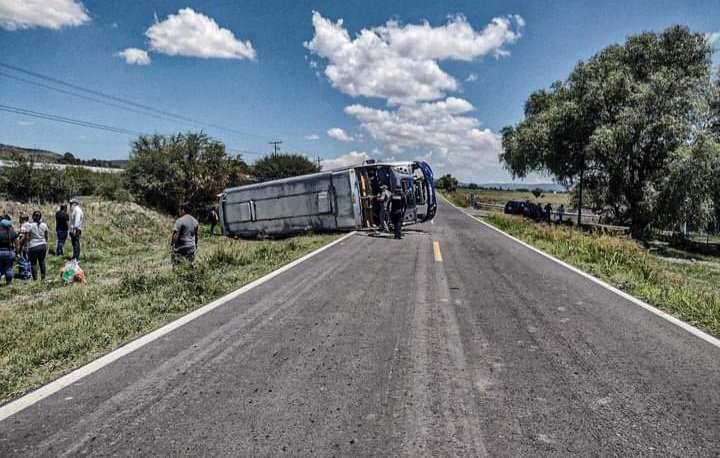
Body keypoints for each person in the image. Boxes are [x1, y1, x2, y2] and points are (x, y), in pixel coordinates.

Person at [24, 211, 48, 281]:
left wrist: (26, 246)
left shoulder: (30, 225)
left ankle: (35, 279)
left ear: (32, 217)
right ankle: (43, 278)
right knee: (42, 261)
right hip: (42, 245)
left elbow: (26, 237)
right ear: (40, 217)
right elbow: (46, 236)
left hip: (33, 246)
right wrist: (45, 242)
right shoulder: (44, 225)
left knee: (33, 263)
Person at [0, 217, 18, 286]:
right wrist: (17, 252)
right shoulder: (12, 232)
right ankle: (9, 283)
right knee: (8, 268)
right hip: (9, 252)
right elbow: (17, 243)